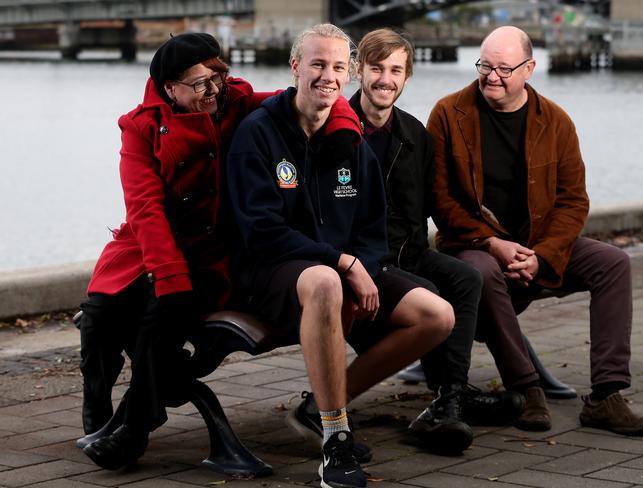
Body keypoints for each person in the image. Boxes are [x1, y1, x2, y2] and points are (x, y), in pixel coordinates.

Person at [78, 32, 363, 470]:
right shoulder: (139, 126)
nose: (213, 90)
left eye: (218, 77)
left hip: (211, 252)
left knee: (162, 319)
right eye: (200, 84)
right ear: (169, 88)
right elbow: (146, 210)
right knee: (100, 317)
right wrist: (168, 275)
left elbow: (314, 96)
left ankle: (136, 425)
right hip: (148, 246)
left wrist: (344, 127)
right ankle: (97, 412)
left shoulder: (236, 102)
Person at [227, 23, 455, 488]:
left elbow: (372, 227)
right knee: (327, 282)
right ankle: (335, 439)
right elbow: (263, 231)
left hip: (341, 270)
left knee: (436, 315)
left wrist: (363, 268)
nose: (327, 76)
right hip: (271, 270)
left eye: (337, 66)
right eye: (316, 64)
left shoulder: (351, 139)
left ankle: (316, 408)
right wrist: (343, 264)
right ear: (295, 68)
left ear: (348, 74)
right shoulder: (259, 134)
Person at [427, 25, 643, 434]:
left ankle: (606, 395)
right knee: (483, 270)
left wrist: (543, 255)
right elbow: (440, 199)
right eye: (485, 66)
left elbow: (573, 201)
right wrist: (494, 244)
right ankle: (526, 387)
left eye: (503, 69)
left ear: (529, 68)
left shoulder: (557, 122)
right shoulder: (448, 114)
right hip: (473, 244)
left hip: (540, 243)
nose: (491, 76)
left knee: (614, 263)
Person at [347, 27, 524, 455]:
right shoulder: (338, 131)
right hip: (367, 264)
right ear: (358, 72)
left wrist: (490, 240)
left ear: (407, 77)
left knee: (465, 277)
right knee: (429, 294)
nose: (385, 79)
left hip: (412, 253)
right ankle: (448, 400)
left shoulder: (415, 135)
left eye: (396, 70)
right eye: (376, 68)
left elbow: (440, 205)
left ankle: (450, 398)